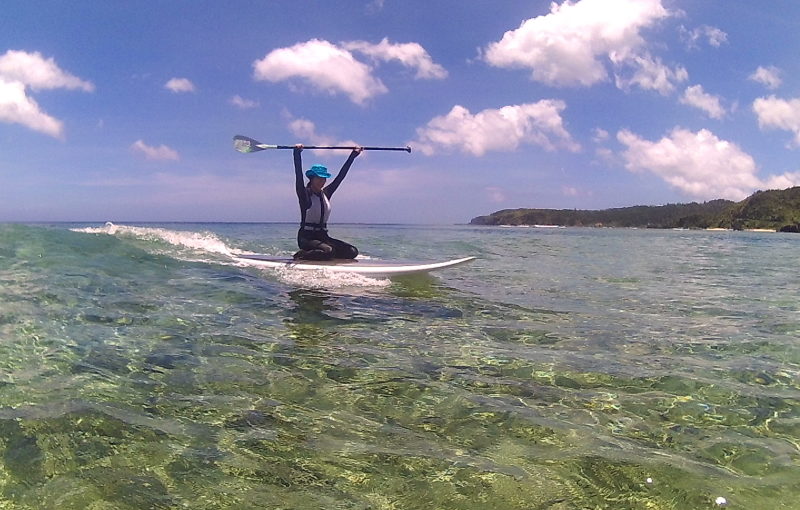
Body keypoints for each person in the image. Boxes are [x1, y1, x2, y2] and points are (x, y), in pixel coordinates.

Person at [292, 144, 363, 260]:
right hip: (306, 238)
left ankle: (322, 254)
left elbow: (341, 176)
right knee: (329, 251)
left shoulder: (326, 193)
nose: (322, 181)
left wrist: (353, 155)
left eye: (324, 178)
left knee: (352, 251)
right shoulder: (304, 194)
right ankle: (302, 254)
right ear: (312, 179)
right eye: (319, 178)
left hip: (323, 236)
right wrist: (297, 154)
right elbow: (298, 176)